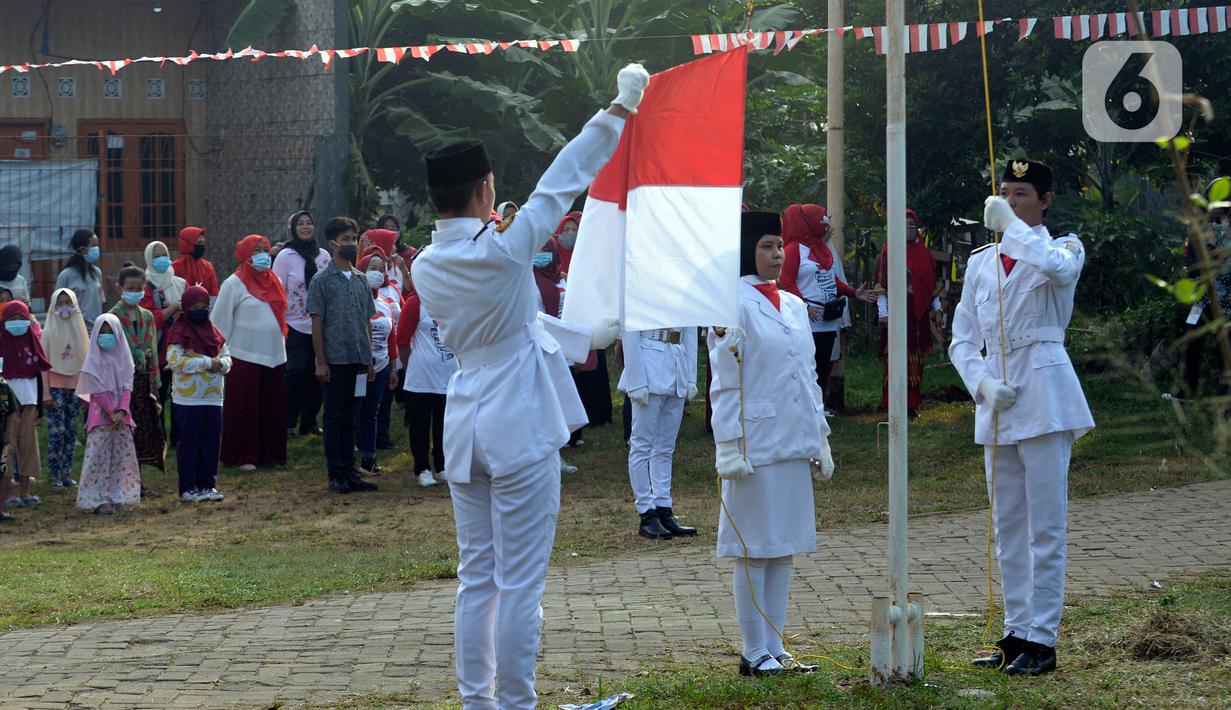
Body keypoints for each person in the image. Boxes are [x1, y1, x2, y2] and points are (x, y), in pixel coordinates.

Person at [410, 63, 644, 710]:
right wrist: (618, 108)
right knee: (519, 584)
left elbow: (513, 322)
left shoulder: (427, 265)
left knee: (477, 578)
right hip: (516, 416)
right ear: (486, 188)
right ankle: (514, 704)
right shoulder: (502, 249)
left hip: (467, 416)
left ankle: (480, 704)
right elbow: (562, 180)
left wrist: (581, 338)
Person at [951, 159, 1095, 676]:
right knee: (1007, 524)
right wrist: (982, 383)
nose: (1011, 202)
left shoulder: (1065, 247)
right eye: (1006, 194)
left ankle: (1044, 639)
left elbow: (1058, 270)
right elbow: (962, 337)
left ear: (1046, 200)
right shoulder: (981, 261)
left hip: (1046, 394)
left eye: (1022, 194)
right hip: (999, 400)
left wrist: (1013, 231)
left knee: (1045, 525)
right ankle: (1016, 633)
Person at [709, 210, 835, 677]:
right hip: (754, 443)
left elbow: (808, 377)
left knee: (783, 545)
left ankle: (776, 647)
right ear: (747, 251)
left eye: (779, 246)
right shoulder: (730, 303)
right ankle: (752, 650)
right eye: (765, 246)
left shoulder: (794, 305)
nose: (776, 254)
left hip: (793, 438)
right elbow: (724, 381)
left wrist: (820, 437)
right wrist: (728, 447)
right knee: (753, 549)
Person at [306, 217, 377, 494]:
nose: (351, 244)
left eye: (354, 238)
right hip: (335, 361)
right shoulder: (322, 280)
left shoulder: (361, 280)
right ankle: (336, 473)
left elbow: (367, 321)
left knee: (352, 417)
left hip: (358, 359)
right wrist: (320, 361)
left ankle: (351, 472)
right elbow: (316, 322)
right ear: (333, 243)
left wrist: (369, 359)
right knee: (334, 418)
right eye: (346, 239)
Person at [778, 204, 875, 404]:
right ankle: (803, 406)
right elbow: (787, 282)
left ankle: (818, 407)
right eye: (821, 219)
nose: (825, 223)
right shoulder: (793, 249)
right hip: (808, 320)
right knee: (807, 365)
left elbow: (831, 278)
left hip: (829, 318)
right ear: (807, 222)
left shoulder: (821, 248)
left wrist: (853, 292)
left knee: (824, 365)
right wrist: (805, 306)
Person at [214, 235, 289, 470]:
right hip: (244, 355)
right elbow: (219, 323)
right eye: (256, 250)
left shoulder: (274, 279)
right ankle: (245, 455)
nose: (262, 255)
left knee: (272, 406)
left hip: (275, 355)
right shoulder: (234, 283)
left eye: (265, 249)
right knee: (247, 408)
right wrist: (220, 356)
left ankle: (271, 454)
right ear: (246, 254)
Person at [166, 286, 230, 502]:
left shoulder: (214, 331)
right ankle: (188, 487)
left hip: (213, 397)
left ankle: (207, 485)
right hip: (188, 399)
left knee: (211, 442)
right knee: (190, 442)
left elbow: (227, 356)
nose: (200, 311)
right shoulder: (178, 331)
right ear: (186, 308)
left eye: (204, 307)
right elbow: (175, 361)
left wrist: (222, 364)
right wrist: (206, 362)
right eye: (195, 307)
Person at [875, 209, 940, 416]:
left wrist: (937, 310)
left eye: (913, 226)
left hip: (918, 314)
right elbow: (881, 284)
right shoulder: (888, 252)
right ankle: (891, 402)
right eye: (905, 226)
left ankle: (912, 404)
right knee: (895, 358)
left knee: (915, 358)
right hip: (896, 312)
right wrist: (883, 312)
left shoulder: (925, 254)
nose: (909, 230)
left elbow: (931, 286)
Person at [397, 259, 456, 488]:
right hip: (421, 378)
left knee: (445, 425)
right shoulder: (415, 303)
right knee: (420, 426)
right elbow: (402, 339)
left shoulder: (452, 302)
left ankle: (441, 466)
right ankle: (422, 468)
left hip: (448, 376)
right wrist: (408, 364)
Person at [74, 313, 140, 515]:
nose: (106, 336)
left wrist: (122, 410)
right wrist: (112, 411)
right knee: (99, 459)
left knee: (121, 458)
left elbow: (127, 387)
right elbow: (96, 390)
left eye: (110, 332)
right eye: (102, 332)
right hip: (101, 418)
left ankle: (119, 495)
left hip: (121, 418)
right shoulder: (93, 361)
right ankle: (97, 498)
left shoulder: (126, 361)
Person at [274, 210, 331, 439]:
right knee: (295, 372)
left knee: (317, 375)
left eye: (309, 223)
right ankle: (287, 421)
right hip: (294, 324)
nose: (306, 227)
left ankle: (309, 421)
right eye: (301, 224)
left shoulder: (324, 256)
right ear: (293, 229)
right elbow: (277, 291)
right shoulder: (285, 256)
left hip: (321, 324)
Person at [531, 238, 582, 474]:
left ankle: (557, 455)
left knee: (561, 404)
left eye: (545, 249)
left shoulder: (563, 279)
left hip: (563, 350)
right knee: (543, 405)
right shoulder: (527, 279)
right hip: (541, 350)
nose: (542, 254)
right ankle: (541, 457)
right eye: (537, 249)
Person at [110, 264, 165, 471]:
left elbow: (152, 350)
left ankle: (137, 479)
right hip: (123, 380)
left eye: (138, 289)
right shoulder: (113, 317)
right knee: (125, 430)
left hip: (144, 380)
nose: (135, 293)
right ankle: (123, 479)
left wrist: (156, 382)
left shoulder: (147, 316)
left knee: (143, 430)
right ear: (120, 288)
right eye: (130, 288)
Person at [1182, 176, 1231, 397]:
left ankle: (1224, 393)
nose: (1215, 208)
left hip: (1227, 297)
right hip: (1203, 295)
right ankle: (1187, 389)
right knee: (1193, 338)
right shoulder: (1199, 226)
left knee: (1226, 346)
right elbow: (1194, 260)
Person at [1, 301, 51, 508]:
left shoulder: (31, 341)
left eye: (22, 318)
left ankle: (25, 491)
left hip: (29, 403)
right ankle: (6, 494)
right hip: (6, 408)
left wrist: (39, 408)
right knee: (7, 448)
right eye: (12, 319)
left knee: (29, 447)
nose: (18, 323)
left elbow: (38, 376)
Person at [354, 249, 399, 476]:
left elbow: (392, 338)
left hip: (381, 367)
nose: (378, 273)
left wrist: (393, 367)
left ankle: (368, 458)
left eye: (382, 269)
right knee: (354, 411)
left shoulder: (385, 303)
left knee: (372, 412)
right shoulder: (353, 300)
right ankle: (348, 456)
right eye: (373, 268)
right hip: (359, 367)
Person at [41, 288, 90, 487]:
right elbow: (43, 365)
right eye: (59, 303)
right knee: (56, 431)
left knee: (71, 431)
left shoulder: (80, 330)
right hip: (55, 387)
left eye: (67, 302)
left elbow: (87, 362)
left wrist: (86, 393)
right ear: (53, 306)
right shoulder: (48, 331)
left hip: (75, 387)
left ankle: (66, 474)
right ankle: (54, 474)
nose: (64, 307)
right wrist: (45, 393)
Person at [140, 240, 187, 442]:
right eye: (156, 255)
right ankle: (159, 437)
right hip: (158, 350)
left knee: (180, 395)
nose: (162, 259)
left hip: (179, 347)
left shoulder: (181, 283)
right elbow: (150, 319)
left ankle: (178, 436)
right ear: (149, 259)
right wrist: (174, 308)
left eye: (164, 254)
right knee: (158, 395)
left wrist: (178, 309)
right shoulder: (145, 285)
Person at [55, 230, 106, 331]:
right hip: (74, 331)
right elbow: (57, 306)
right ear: (83, 250)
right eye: (94, 245)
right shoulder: (66, 275)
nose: (97, 249)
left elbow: (101, 302)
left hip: (96, 330)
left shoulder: (97, 273)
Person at [171, 227, 219, 298]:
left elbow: (214, 293)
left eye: (203, 243)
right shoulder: (175, 267)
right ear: (187, 244)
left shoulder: (208, 266)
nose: (201, 246)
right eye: (199, 243)